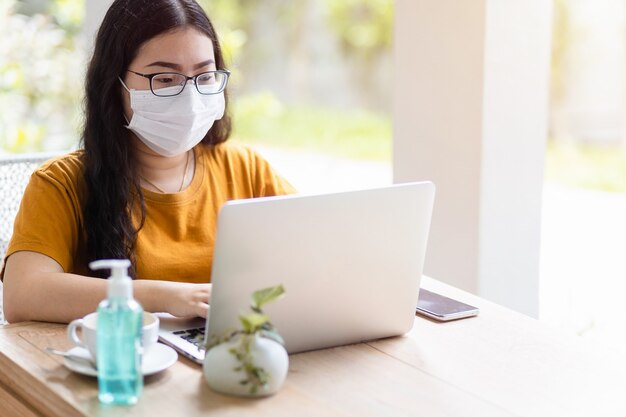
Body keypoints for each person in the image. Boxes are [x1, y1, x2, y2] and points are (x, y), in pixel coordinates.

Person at [1, 0, 295, 324]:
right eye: (165, 79)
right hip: (124, 363)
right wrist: (162, 297)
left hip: (230, 355)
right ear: (115, 85)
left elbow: (317, 249)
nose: (190, 96)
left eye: (204, 75)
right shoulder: (61, 183)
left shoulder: (245, 168)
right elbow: (23, 294)